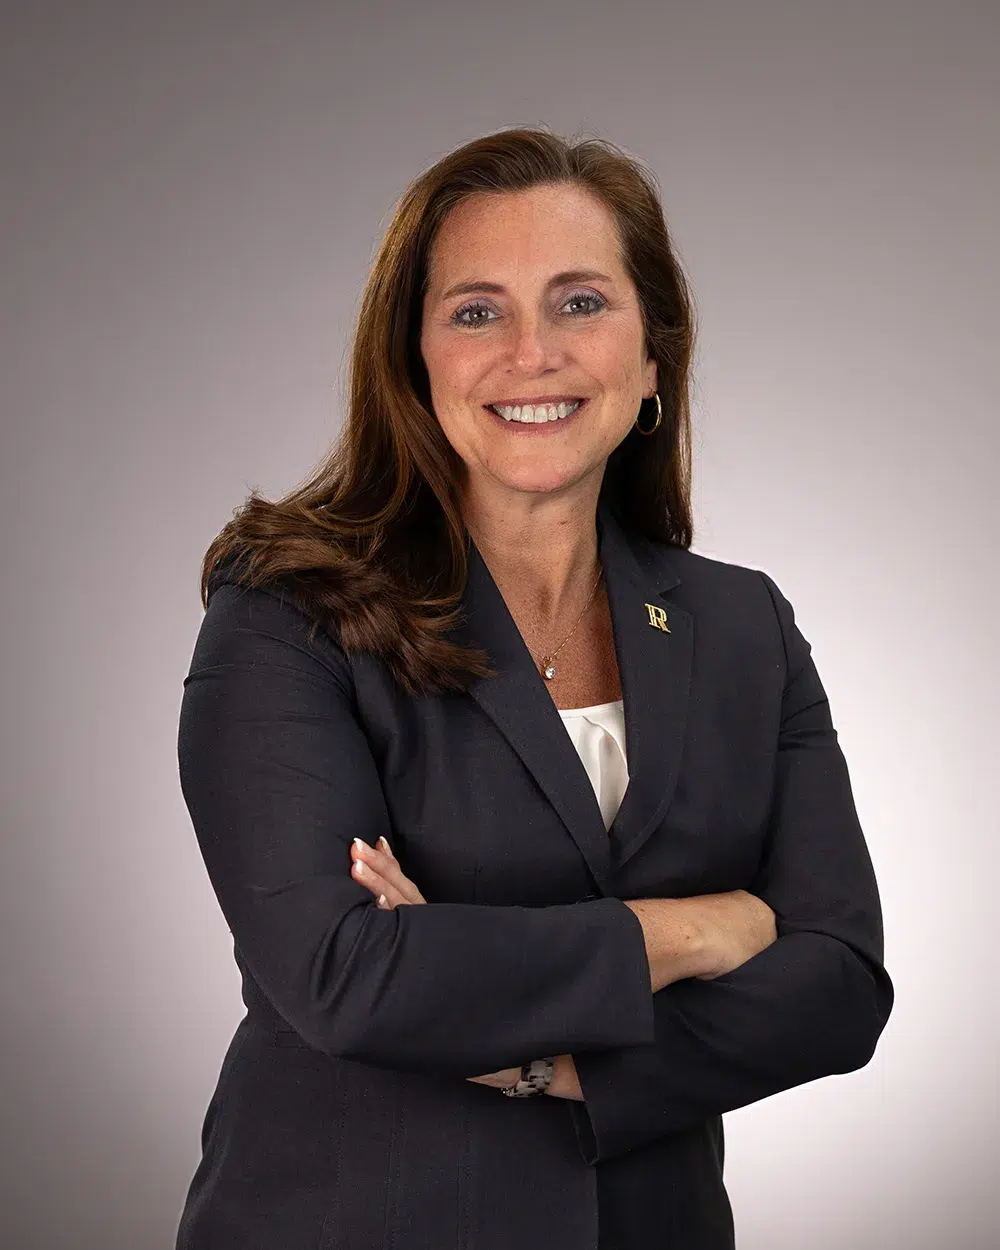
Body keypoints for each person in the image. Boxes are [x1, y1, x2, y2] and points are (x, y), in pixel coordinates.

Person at [173, 126, 893, 1250]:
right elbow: (346, 976)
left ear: (651, 356)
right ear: (413, 362)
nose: (530, 352)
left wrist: (532, 1053)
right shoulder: (288, 610)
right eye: (475, 311)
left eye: (578, 302)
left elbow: (841, 985)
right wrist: (698, 927)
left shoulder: (742, 623)